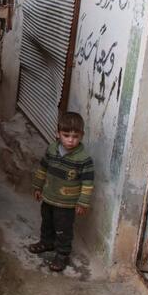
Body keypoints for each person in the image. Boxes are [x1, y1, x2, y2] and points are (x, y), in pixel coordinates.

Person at [28, 112, 94, 272]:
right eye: (66, 135)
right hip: (49, 197)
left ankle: (62, 254)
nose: (71, 140)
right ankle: (46, 242)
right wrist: (37, 187)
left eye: (75, 136)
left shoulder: (83, 159)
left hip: (67, 204)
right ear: (57, 134)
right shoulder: (51, 150)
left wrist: (83, 202)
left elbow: (87, 183)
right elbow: (42, 169)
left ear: (82, 136)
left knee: (63, 228)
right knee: (47, 222)